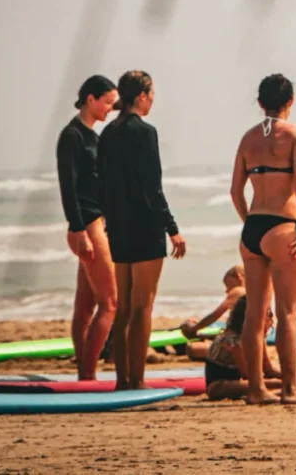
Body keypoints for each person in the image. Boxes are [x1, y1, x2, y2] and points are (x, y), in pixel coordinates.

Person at [230, 73, 296, 405]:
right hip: (284, 226)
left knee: (254, 314)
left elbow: (235, 190)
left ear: (259, 103)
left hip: (253, 229)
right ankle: (290, 389)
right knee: (288, 313)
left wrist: (248, 221)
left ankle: (256, 390)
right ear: (290, 102)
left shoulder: (248, 139)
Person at [97, 70, 187, 390]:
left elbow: (102, 185)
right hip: (145, 227)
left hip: (119, 229)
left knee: (123, 309)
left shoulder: (107, 134)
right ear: (142, 96)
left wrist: (109, 220)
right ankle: (137, 379)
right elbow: (152, 187)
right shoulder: (145, 132)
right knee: (142, 307)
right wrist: (172, 229)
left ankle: (122, 380)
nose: (153, 101)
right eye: (151, 95)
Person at [56, 74, 119, 381]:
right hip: (87, 225)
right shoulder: (72, 136)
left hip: (97, 222)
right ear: (90, 99)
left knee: (86, 304)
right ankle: (88, 374)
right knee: (111, 303)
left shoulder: (94, 137)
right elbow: (68, 187)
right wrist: (78, 229)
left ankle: (84, 372)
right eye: (108, 102)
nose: (111, 108)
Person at [204, 295, 296, 401]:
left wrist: (288, 375)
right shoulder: (233, 340)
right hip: (219, 386)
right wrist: (279, 381)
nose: (270, 322)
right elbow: (247, 374)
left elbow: (268, 369)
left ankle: (286, 387)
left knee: (273, 382)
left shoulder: (257, 338)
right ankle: (288, 389)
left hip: (243, 382)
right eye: (268, 316)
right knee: (258, 384)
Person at [180, 265, 247, 361]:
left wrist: (194, 328)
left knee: (191, 348)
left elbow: (214, 315)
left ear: (238, 276)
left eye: (228, 286)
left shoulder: (239, 291)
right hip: (249, 343)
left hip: (239, 347)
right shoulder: (256, 291)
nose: (227, 291)